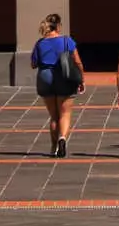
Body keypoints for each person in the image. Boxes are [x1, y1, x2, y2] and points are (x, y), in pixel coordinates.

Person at [30, 13, 85, 158]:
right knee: (65, 113)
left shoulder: (40, 43)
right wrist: (81, 79)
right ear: (59, 26)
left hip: (45, 77)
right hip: (64, 77)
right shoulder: (67, 41)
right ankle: (62, 139)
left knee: (54, 116)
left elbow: (33, 64)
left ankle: (53, 147)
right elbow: (77, 61)